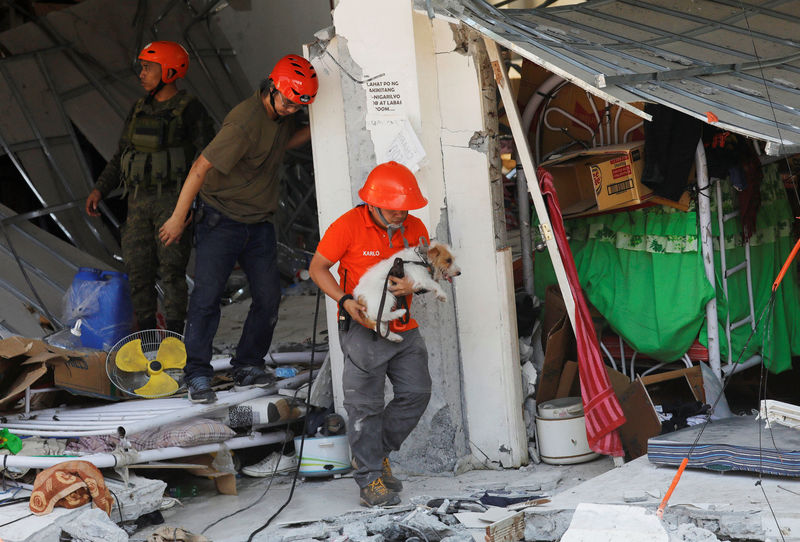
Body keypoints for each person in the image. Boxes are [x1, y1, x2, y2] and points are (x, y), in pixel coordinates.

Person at [158, 54, 318, 404]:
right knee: (206, 300)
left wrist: (313, 129)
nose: (292, 110)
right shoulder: (244, 122)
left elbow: (278, 146)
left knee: (268, 297)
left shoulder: (280, 117)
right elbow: (200, 167)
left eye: (298, 106)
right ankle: (197, 375)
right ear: (272, 88)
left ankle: (247, 364)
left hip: (258, 224)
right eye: (289, 103)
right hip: (221, 221)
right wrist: (177, 218)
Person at [308, 161, 433, 507]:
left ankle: (374, 455)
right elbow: (317, 268)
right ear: (373, 204)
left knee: (417, 393)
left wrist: (415, 283)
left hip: (403, 328)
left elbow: (428, 268)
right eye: (393, 210)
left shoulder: (415, 226)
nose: (400, 215)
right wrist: (344, 300)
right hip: (363, 329)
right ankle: (369, 479)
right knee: (364, 407)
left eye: (405, 208)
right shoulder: (348, 226)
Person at [85, 41, 214, 334]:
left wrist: (189, 208)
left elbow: (210, 158)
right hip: (137, 203)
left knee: (172, 274)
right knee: (138, 274)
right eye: (141, 67)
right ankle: (147, 341)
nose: (141, 74)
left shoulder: (189, 109)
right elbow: (121, 155)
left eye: (148, 68)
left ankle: (174, 341)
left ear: (168, 71)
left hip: (171, 202)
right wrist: (100, 189)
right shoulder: (139, 108)